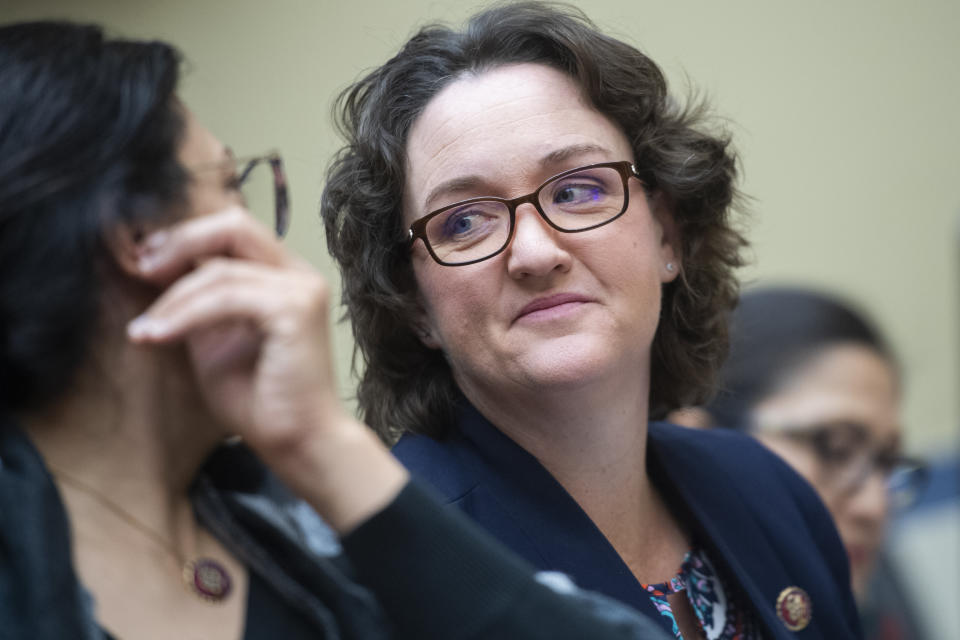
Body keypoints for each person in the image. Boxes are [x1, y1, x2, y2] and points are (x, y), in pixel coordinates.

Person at [0, 20, 679, 640]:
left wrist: (322, 447)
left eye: (577, 190)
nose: (536, 253)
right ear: (142, 242)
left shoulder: (289, 532)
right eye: (232, 187)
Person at [321, 2, 861, 638]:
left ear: (666, 234)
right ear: (414, 303)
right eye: (463, 221)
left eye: (577, 190)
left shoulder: (768, 489)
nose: (535, 254)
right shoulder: (385, 567)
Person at [671, 286, 928, 639]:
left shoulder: (879, 603)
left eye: (886, 462)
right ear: (697, 439)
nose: (874, 506)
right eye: (834, 448)